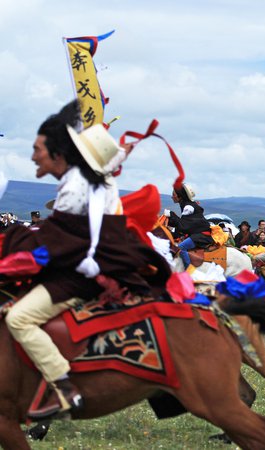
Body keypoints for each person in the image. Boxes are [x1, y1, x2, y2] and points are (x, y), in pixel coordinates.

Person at [3, 101, 169, 419]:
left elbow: (55, 242)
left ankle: (64, 387)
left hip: (85, 273)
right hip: (95, 263)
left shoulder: (77, 186)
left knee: (18, 318)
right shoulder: (94, 180)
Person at [167, 183, 213, 269]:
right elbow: (182, 225)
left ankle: (189, 271)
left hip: (202, 236)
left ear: (180, 196)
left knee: (181, 247)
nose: (172, 196)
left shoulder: (188, 207)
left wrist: (171, 214)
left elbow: (183, 226)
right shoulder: (187, 205)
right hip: (198, 235)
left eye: (174, 194)